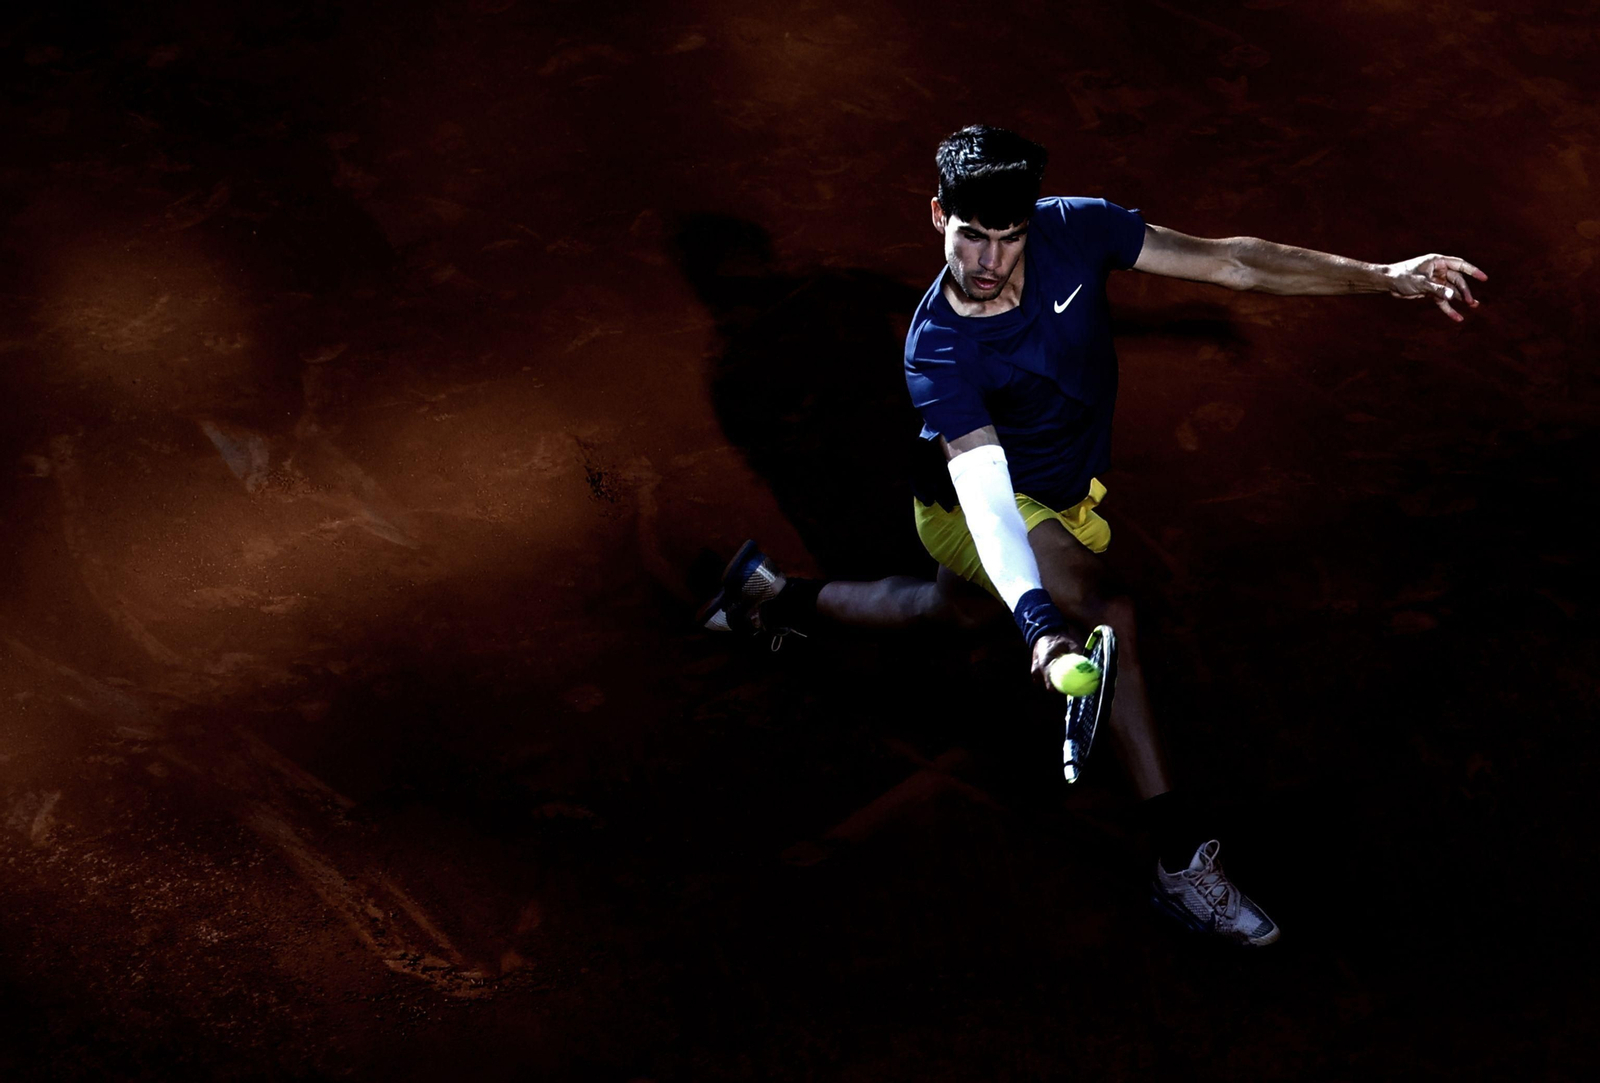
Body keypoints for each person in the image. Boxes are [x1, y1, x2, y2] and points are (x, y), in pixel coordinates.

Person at [699, 124, 1487, 946]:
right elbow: (986, 492)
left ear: (1032, 220)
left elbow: (1232, 261)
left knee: (952, 613)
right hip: (977, 506)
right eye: (972, 236)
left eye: (1009, 238)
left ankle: (769, 595)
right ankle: (1180, 862)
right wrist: (1040, 622)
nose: (989, 264)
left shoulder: (1077, 227)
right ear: (938, 215)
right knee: (1110, 610)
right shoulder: (936, 347)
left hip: (1062, 493)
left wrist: (1383, 278)